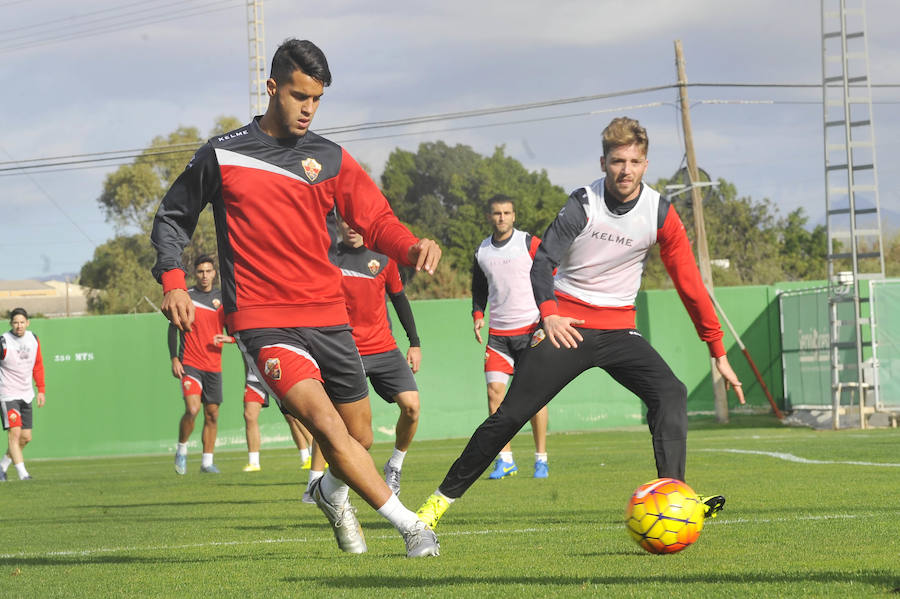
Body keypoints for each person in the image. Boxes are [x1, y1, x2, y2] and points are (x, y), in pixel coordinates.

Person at [150, 39, 441, 557]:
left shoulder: (328, 158)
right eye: (299, 95)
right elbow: (173, 216)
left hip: (329, 317)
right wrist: (174, 279)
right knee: (327, 426)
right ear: (272, 88)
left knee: (358, 437)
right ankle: (411, 527)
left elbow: (374, 219)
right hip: (263, 321)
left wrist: (411, 245)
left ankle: (330, 493)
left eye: (317, 99)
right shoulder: (223, 153)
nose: (308, 108)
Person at [417, 116, 745, 530]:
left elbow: (690, 285)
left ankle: (674, 500)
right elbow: (543, 262)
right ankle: (435, 505)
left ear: (645, 164)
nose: (626, 170)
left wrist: (717, 351)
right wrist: (550, 315)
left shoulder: (659, 213)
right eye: (617, 161)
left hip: (619, 330)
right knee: (509, 416)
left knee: (670, 393)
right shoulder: (582, 204)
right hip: (567, 324)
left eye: (635, 161)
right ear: (603, 162)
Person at [303, 211, 423, 500]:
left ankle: (394, 466)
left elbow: (399, 300)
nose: (352, 226)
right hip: (343, 351)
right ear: (338, 224)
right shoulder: (328, 257)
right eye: (345, 221)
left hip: (384, 349)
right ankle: (315, 481)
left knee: (412, 407)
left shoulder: (383, 258)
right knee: (329, 419)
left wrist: (414, 342)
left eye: (356, 221)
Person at [472, 194, 549, 480]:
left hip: (532, 333)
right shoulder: (482, 251)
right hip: (498, 337)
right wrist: (478, 315)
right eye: (496, 213)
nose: (501, 217)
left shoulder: (529, 244)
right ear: (490, 216)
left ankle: (541, 458)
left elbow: (551, 275)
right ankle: (505, 460)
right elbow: (479, 287)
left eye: (506, 213)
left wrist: (546, 318)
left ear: (514, 216)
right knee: (495, 396)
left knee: (535, 399)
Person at [168, 255, 227, 475]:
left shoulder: (222, 298)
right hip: (190, 363)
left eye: (208, 271)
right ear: (195, 273)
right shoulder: (186, 297)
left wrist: (228, 339)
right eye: (200, 271)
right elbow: (173, 328)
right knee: (192, 409)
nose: (204, 275)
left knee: (211, 415)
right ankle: (182, 450)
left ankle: (206, 462)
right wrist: (174, 357)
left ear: (214, 273)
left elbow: (233, 329)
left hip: (214, 365)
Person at [239, 352, 314, 472]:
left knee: (293, 416)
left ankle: (309, 454)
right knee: (249, 416)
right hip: (254, 379)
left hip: (273, 372)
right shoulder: (240, 335)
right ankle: (254, 462)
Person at [0, 308, 45, 482]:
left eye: (22, 322)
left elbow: (38, 365)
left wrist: (41, 389)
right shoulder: (4, 341)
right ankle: (23, 474)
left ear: (28, 322)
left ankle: (2, 466)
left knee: (26, 438)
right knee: (15, 433)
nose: (19, 326)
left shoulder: (33, 339)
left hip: (26, 394)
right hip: (7, 394)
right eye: (15, 322)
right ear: (11, 324)